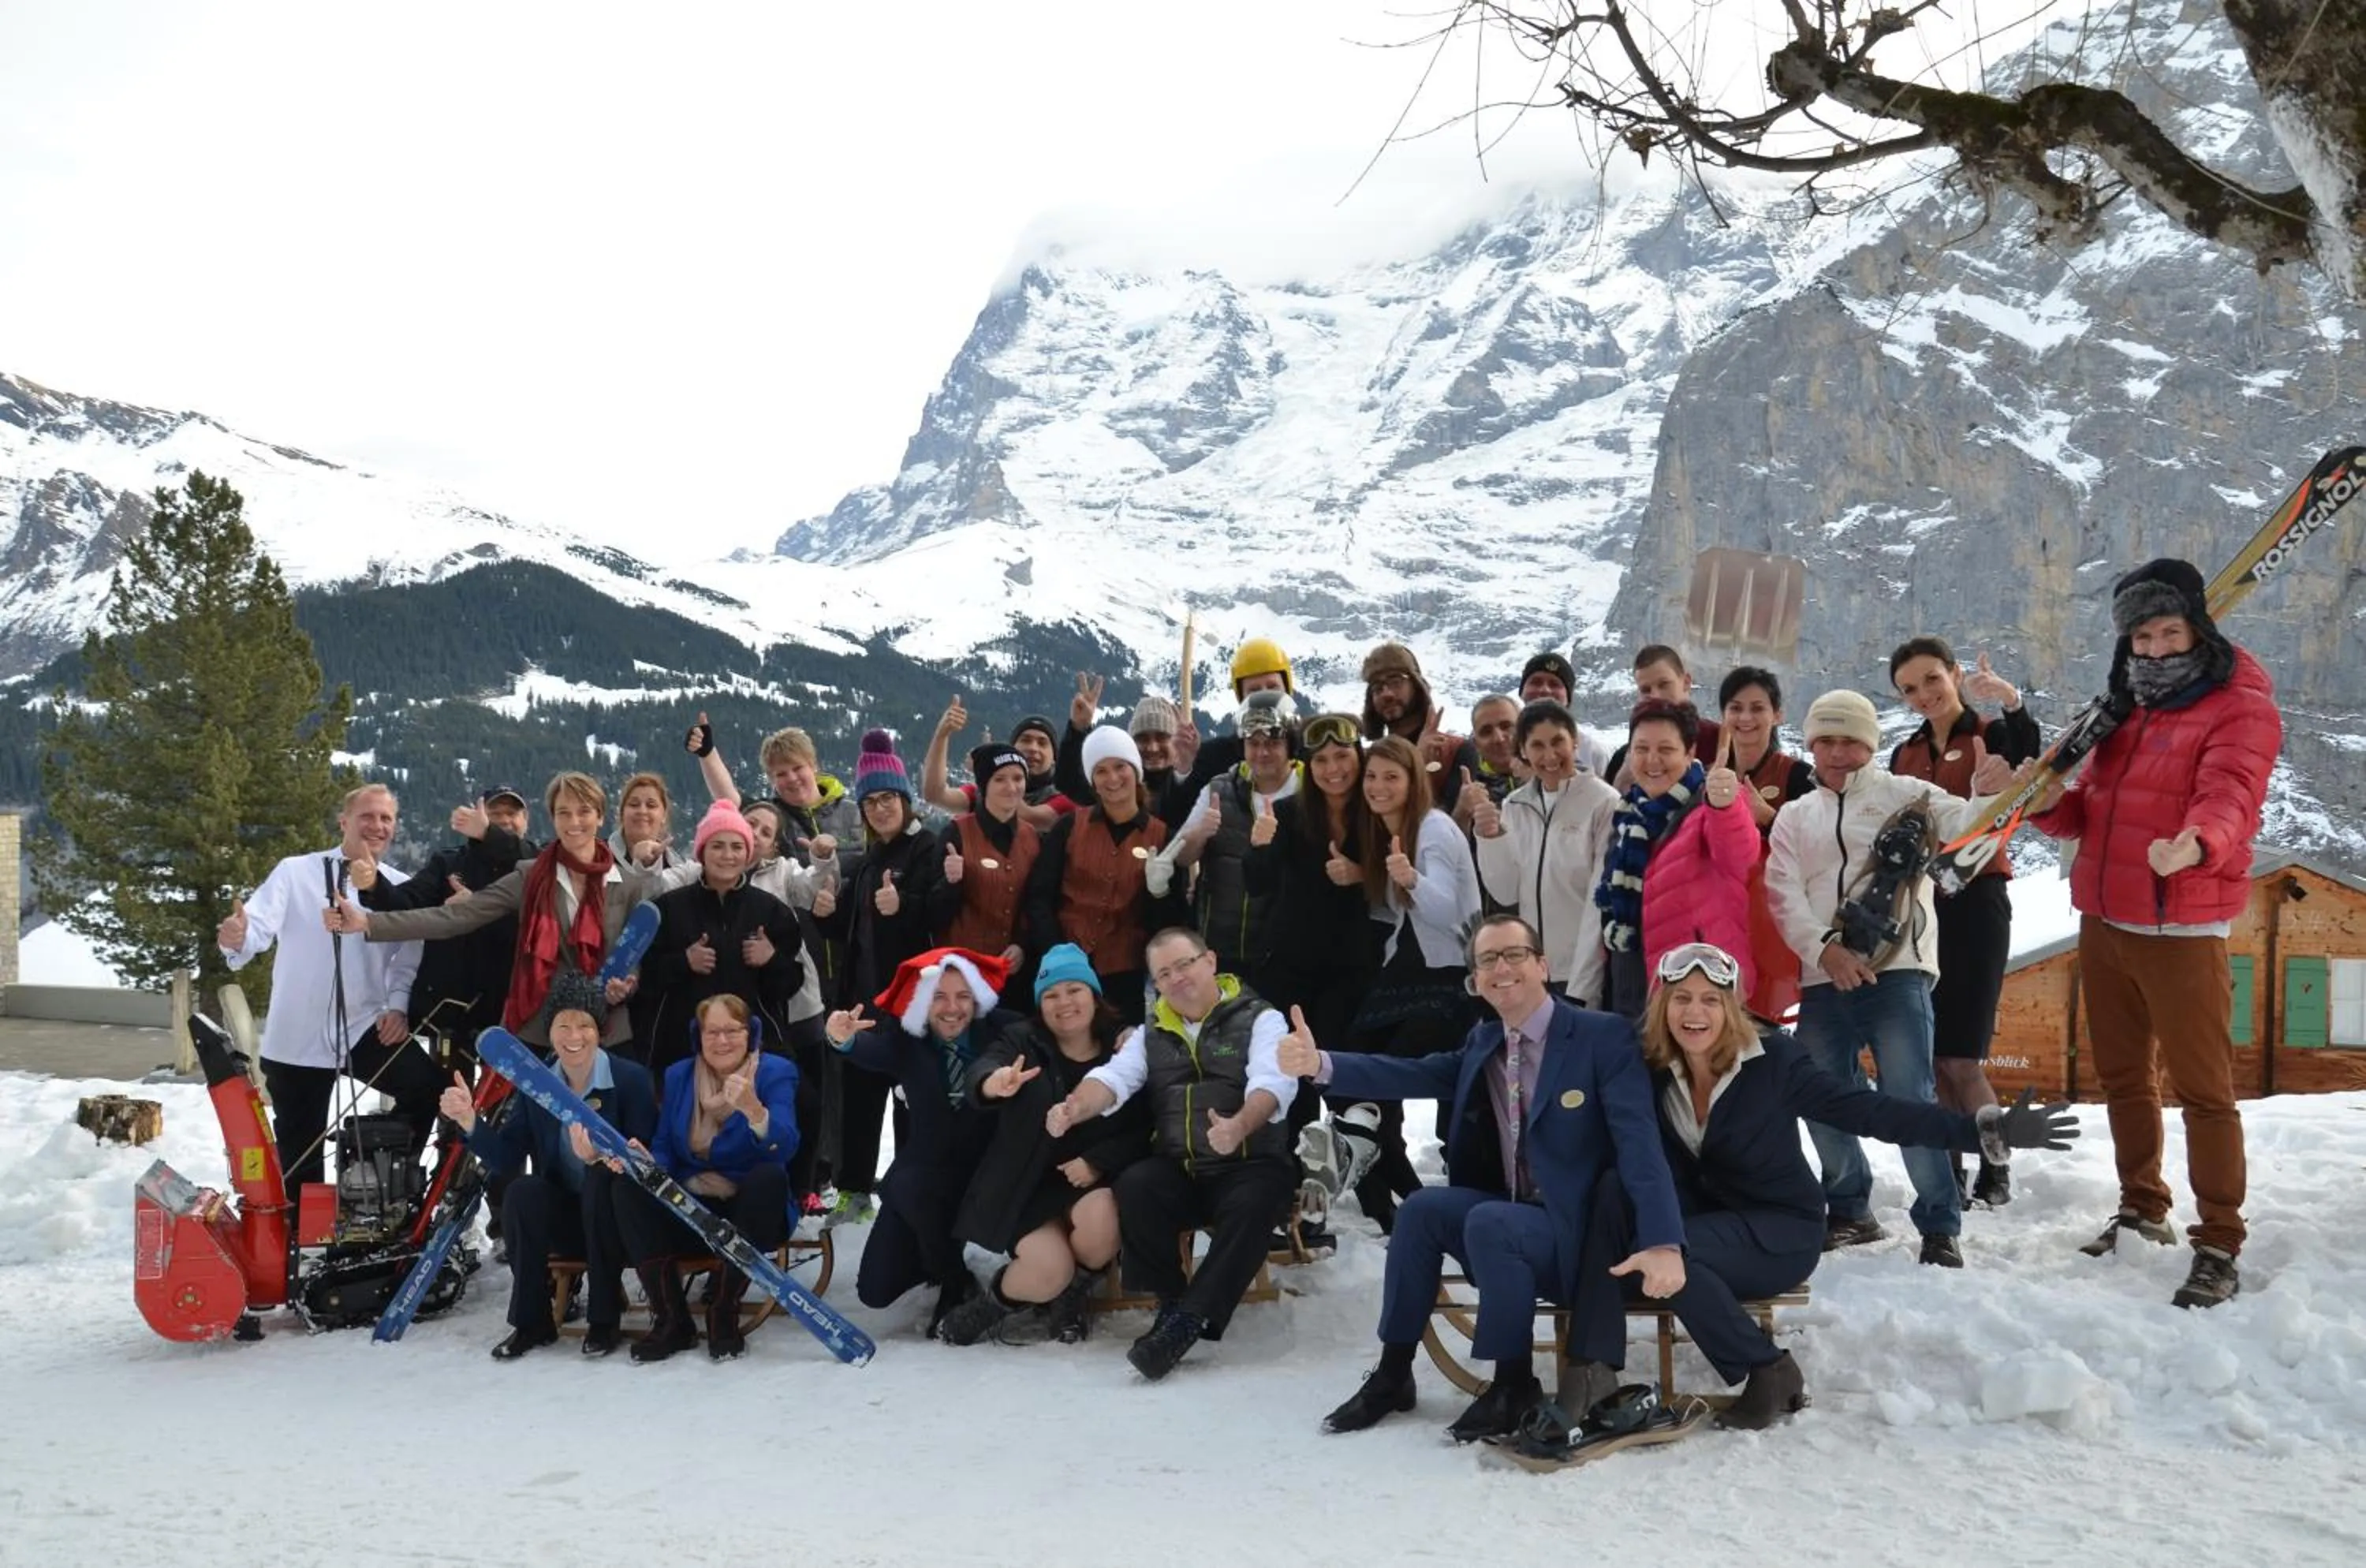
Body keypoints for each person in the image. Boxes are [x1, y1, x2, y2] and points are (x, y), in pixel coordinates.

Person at [1557, 943, 2077, 1426]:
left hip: (1777, 1229)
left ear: (1732, 1007)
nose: (1695, 1013)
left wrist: (1985, 1129)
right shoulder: (1647, 1067)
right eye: (1683, 999)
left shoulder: (1774, 1063)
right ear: (1663, 1005)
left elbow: (1871, 1111)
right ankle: (1591, 1370)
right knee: (1612, 1189)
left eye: (1711, 1000)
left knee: (1675, 1256)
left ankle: (1770, 1370)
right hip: (1703, 1220)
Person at [1294, 913, 1684, 1441]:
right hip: (1513, 1221)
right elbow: (1412, 1073)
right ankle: (1392, 1374)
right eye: (1487, 960)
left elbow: (1640, 1146)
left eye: (1514, 955)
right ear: (1475, 979)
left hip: (1581, 1238)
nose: (1502, 968)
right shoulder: (1483, 1042)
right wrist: (1321, 1064)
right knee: (1420, 1211)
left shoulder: (1601, 1037)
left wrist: (1664, 1240)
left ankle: (1513, 1383)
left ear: (1542, 965)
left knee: (1491, 1222)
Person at [2031, 558, 2279, 1309]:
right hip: (2105, 921)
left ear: (2199, 627)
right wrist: (2037, 800)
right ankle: (2142, 1206)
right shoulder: (2123, 709)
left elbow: (2231, 793)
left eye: (2170, 630)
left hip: (2183, 926)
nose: (2159, 648)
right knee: (2123, 1078)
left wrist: (2198, 842)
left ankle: (2219, 1241)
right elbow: (2083, 816)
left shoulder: (2240, 707)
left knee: (2204, 1091)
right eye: (2144, 635)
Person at [1763, 689, 2014, 1267]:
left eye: (1850, 740)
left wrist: (1990, 794)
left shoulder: (1911, 795)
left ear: (1870, 745)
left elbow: (1970, 834)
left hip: (1898, 972)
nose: (1837, 752)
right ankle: (1850, 1210)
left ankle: (1939, 1224)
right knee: (1822, 1097)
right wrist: (1824, 952)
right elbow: (1783, 894)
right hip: (1823, 978)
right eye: (1825, 739)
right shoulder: (1796, 817)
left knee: (1909, 1096)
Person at [1043, 928, 1304, 1380]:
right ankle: (1170, 1300)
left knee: (1256, 1200)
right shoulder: (1151, 1033)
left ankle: (1191, 1318)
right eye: (1163, 973)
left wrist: (1239, 1124)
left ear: (1210, 962)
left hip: (1249, 1162)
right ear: (1155, 984)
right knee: (1138, 1184)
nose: (1177, 978)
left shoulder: (1261, 1019)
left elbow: (1273, 1082)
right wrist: (1075, 1106)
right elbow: (1114, 1079)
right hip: (1182, 1167)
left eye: (1184, 964)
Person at [215, 782, 433, 1195]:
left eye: (386, 818)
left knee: (428, 1090)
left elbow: (409, 957)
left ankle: (381, 1184)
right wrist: (237, 936)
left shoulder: (401, 886)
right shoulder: (295, 871)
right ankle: (305, 1245)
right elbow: (257, 926)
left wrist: (399, 1007)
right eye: (367, 816)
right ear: (344, 821)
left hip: (366, 1025)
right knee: (301, 1159)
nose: (377, 825)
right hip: (298, 1033)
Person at [1889, 636, 2043, 1207]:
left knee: (1962, 1056)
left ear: (1954, 674)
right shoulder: (1903, 754)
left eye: (1932, 679)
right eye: (1910, 688)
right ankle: (1950, 1171)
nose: (1924, 694)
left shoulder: (1988, 733)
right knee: (1932, 1058)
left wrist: (2011, 702)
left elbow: (2030, 758)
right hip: (1924, 911)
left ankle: (1996, 1168)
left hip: (1978, 901)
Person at [343, 771, 647, 1055]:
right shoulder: (533, 877)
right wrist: (368, 922)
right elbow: (454, 918)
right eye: (563, 812)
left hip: (607, 1029)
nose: (574, 822)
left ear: (601, 816)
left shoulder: (629, 885)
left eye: (584, 812)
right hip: (540, 1030)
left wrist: (628, 982)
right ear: (553, 818)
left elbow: (634, 952)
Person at [939, 944, 1153, 1346]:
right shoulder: (1022, 1040)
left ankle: (1071, 1298)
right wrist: (996, 1082)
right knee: (1048, 1272)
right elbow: (979, 1074)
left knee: (1103, 1220)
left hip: (1089, 1183)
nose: (1064, 1003)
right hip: (1026, 1186)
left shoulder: (1125, 1051)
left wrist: (1097, 1160)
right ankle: (997, 1302)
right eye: (1052, 995)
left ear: (1093, 994)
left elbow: (1146, 1128)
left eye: (1074, 990)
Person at [439, 971, 657, 1361]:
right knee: (522, 1191)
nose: (574, 1036)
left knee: (599, 1179)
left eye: (584, 1025)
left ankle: (604, 1321)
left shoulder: (630, 1079)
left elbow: (648, 1160)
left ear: (600, 1030)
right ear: (551, 1031)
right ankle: (531, 1322)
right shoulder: (536, 1085)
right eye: (563, 1025)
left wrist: (605, 1158)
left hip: (619, 1220)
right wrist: (471, 1120)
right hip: (566, 1217)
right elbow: (506, 1157)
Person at [824, 948, 1023, 1334]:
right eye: (939, 997)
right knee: (875, 1290)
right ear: (921, 1002)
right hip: (928, 1174)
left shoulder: (1005, 1030)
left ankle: (958, 1280)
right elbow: (869, 1050)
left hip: (992, 1173)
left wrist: (1116, 1034)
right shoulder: (907, 1039)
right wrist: (840, 1039)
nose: (952, 1009)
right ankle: (949, 1268)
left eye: (963, 996)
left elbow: (1057, 1037)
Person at [1243, 713, 1379, 1234]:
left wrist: (1362, 873)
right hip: (1290, 968)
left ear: (1359, 757)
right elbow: (1257, 884)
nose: (1332, 768)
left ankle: (1357, 1181)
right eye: (1320, 759)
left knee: (1345, 1076)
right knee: (1294, 1085)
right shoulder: (1290, 812)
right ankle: (1291, 1198)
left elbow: (1404, 877)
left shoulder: (1376, 811)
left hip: (1351, 969)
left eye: (1342, 757)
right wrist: (1259, 843)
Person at [1341, 734, 1483, 1229]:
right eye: (1372, 777)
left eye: (1391, 777)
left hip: (1448, 976)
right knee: (1355, 1065)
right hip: (1411, 964)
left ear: (1413, 781)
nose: (1378, 787)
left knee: (1382, 1072)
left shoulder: (1435, 828)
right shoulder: (1395, 828)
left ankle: (1396, 1185)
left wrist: (1410, 879)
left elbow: (1446, 909)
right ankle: (1384, 1181)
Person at [613, 994, 800, 1362]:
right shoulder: (679, 1074)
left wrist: (754, 1111)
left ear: (751, 1034)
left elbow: (787, 1143)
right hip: (694, 1209)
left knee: (769, 1178)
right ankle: (672, 1320)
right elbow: (667, 1145)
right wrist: (649, 1162)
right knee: (626, 1188)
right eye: (712, 1031)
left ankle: (724, 1311)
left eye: (732, 1030)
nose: (722, 1041)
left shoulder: (775, 1072)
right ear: (698, 1036)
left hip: (751, 1214)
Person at [819, 729, 943, 1226]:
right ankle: (853, 1190)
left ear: (905, 800)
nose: (879, 809)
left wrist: (904, 906)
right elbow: (848, 927)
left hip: (913, 1000)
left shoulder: (928, 848)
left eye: (888, 798)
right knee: (860, 1099)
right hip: (865, 999)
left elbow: (940, 913)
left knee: (910, 1098)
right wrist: (827, 912)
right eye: (870, 802)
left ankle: (907, 1188)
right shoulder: (867, 861)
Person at [1589, 701, 1758, 1020]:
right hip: (1635, 988)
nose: (1652, 760)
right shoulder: (1627, 816)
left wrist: (1725, 806)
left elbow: (1739, 855)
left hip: (1703, 991)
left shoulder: (1709, 805)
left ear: (1689, 750)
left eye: (1666, 748)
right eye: (1641, 748)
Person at [634, 801, 809, 1079]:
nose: (727, 855)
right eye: (717, 846)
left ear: (748, 853)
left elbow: (789, 986)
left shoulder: (772, 911)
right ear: (702, 851)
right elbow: (646, 979)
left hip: (756, 1049)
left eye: (737, 847)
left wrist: (771, 960)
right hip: (682, 1051)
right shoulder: (669, 908)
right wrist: (683, 963)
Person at [361, 786, 535, 1066]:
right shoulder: (448, 863)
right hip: (451, 1014)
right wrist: (373, 886)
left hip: (514, 1013)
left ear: (526, 819)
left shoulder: (536, 863)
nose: (504, 820)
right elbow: (407, 901)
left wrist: (489, 836)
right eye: (494, 813)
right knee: (450, 1102)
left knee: (508, 1106)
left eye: (512, 813)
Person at [1024, 726, 1185, 1027]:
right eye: (1101, 771)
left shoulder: (1163, 837)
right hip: (1063, 972)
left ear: (1135, 771)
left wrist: (1159, 891)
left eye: (1120, 767)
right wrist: (1055, 951)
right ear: (1092, 781)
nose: (1112, 779)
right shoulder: (1069, 827)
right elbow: (1039, 896)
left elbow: (1170, 924)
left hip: (1123, 977)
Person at [1472, 700, 1620, 999]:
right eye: (1537, 746)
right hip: (1532, 971)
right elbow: (1506, 892)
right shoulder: (1516, 805)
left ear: (1574, 741)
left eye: (1558, 742)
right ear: (1523, 751)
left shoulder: (1603, 802)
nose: (1550, 756)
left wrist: (1584, 984)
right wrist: (1490, 838)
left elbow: (1598, 900)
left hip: (1582, 971)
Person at [1169, 688, 1298, 980]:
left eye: (1273, 742)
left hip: (1284, 952)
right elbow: (1182, 857)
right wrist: (1201, 833)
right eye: (1254, 742)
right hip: (1219, 948)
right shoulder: (1219, 789)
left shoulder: (1308, 794)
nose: (1262, 752)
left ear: (1291, 744)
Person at [1718, 666, 1816, 1025]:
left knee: (1766, 1035)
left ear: (1777, 715)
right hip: (1721, 924)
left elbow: (1817, 851)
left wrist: (1769, 818)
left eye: (1757, 708)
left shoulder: (1798, 776)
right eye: (1735, 707)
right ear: (1723, 716)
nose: (1745, 718)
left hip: (1776, 930)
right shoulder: (1709, 778)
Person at [926, 741, 1040, 974]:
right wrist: (951, 884)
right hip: (964, 974)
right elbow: (930, 915)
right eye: (1000, 779)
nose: (1011, 787)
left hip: (1015, 973)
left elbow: (1036, 902)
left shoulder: (1033, 838)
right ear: (984, 785)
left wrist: (1022, 944)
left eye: (1018, 778)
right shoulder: (956, 833)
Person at [1055, 681, 1201, 831]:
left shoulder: (1193, 782)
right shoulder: (1116, 784)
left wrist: (1187, 769)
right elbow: (1068, 782)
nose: (1153, 748)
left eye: (1162, 737)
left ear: (1176, 741)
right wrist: (1078, 729)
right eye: (1143, 739)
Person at [1359, 641, 1480, 813]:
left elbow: (1449, 828)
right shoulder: (1368, 760)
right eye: (1377, 689)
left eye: (1396, 682)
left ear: (1416, 686)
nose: (1387, 693)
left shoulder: (1457, 751)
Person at [921, 698, 1073, 829]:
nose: (1033, 748)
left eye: (1042, 743)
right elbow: (935, 795)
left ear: (1054, 758)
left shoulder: (1065, 798)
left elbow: (1029, 818)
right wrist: (942, 735)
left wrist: (987, 771)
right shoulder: (983, 791)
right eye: (1026, 740)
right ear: (1012, 749)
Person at [1604, 645, 1722, 779]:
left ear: (1686, 682)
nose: (1656, 696)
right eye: (1646, 690)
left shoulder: (1718, 741)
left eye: (1664, 685)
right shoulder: (1623, 759)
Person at [1517, 652, 1610, 778]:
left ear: (1568, 698)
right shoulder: (1502, 742)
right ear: (1522, 692)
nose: (1545, 690)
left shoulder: (1592, 752)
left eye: (1554, 684)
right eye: (1536, 682)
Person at [1456, 693, 1525, 838]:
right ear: (1476, 743)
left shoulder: (1549, 769)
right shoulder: (1465, 783)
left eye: (1507, 726)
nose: (1499, 738)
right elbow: (1453, 852)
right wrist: (1463, 813)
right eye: (1486, 732)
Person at [611, 771, 683, 871]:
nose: (642, 811)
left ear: (664, 816)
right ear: (622, 813)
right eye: (634, 804)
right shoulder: (598, 856)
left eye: (651, 805)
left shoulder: (676, 869)